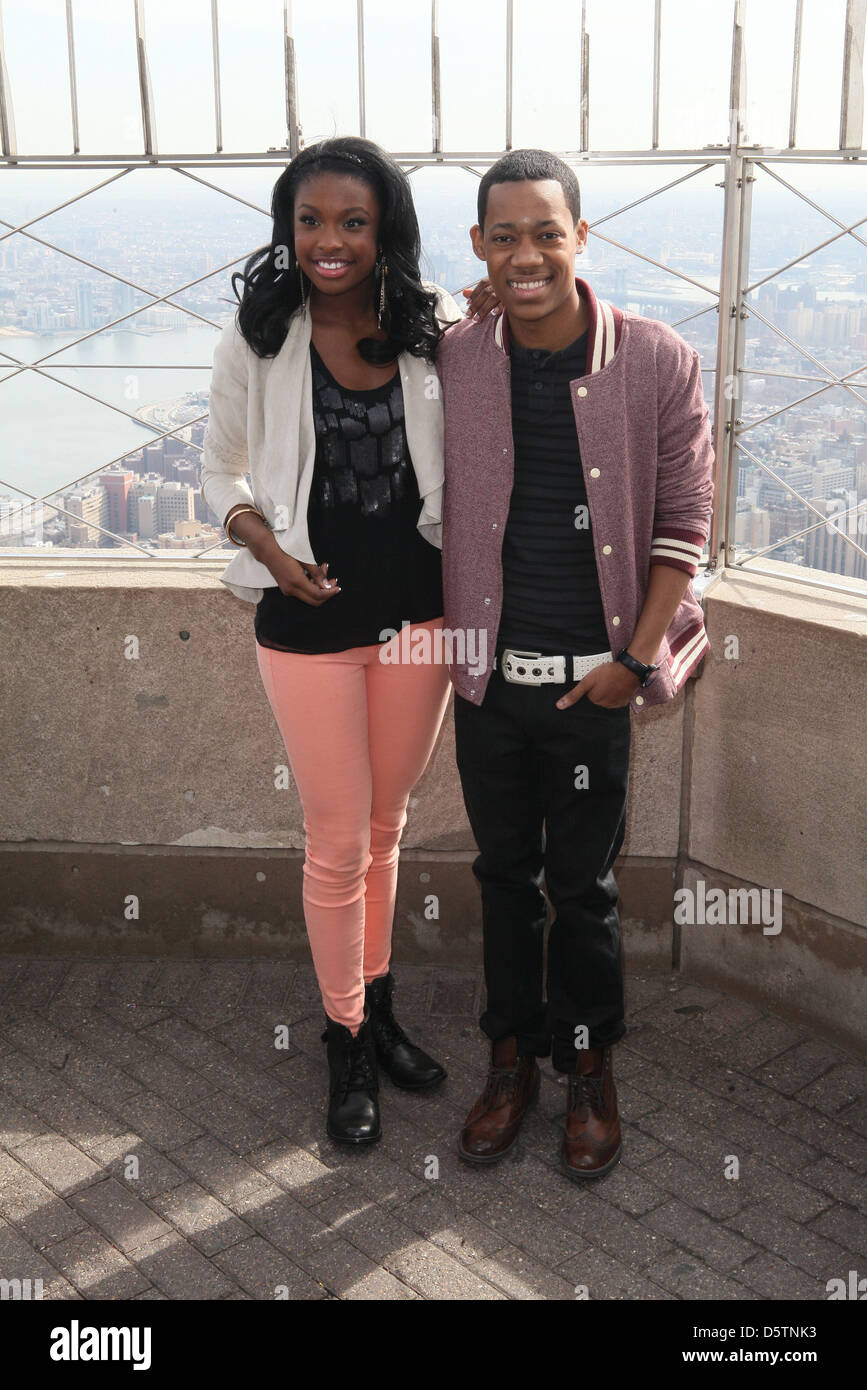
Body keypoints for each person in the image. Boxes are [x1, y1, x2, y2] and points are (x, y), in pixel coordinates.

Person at [437, 148, 714, 1180]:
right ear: (478, 247)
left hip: (598, 680)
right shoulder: (458, 354)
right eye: (502, 236)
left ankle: (589, 1069)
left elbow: (685, 525)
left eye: (545, 232)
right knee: (504, 878)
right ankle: (511, 1058)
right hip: (488, 682)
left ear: (582, 237)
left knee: (585, 889)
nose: (526, 253)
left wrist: (631, 665)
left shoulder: (656, 358)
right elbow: (351, 323)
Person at [199, 136, 482, 1146]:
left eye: (352, 222)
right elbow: (220, 469)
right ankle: (347, 1040)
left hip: (419, 621)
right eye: (310, 220)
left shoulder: (430, 321)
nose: (329, 241)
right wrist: (269, 552)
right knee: (335, 838)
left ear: (383, 231)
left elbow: (488, 412)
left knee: (386, 829)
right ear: (289, 226)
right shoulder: (258, 333)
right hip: (307, 624)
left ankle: (382, 1005)